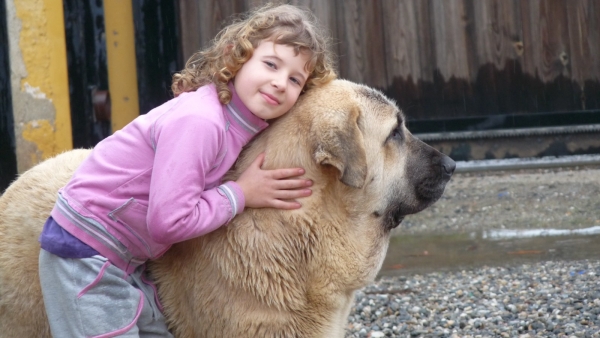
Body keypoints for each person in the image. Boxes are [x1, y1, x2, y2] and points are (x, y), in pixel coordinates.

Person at [38, 3, 337, 337]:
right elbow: (168, 221)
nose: (280, 82)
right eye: (270, 64)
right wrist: (241, 194)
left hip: (124, 257)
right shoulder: (201, 121)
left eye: (295, 79)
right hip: (86, 249)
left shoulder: (238, 123)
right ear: (235, 56)